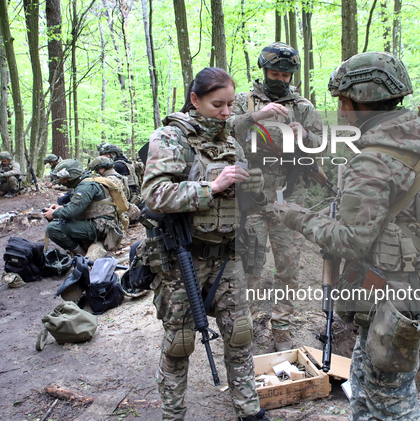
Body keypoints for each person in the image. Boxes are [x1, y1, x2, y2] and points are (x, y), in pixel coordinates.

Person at [273, 51, 420, 421]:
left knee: (393, 403)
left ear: (360, 102)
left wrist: (296, 217)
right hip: (412, 285)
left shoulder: (373, 160)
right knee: (366, 387)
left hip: (393, 298)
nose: (340, 110)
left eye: (342, 101)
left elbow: (351, 240)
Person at [141, 67, 269, 421]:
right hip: (185, 257)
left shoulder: (231, 140)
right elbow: (153, 195)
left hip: (228, 256)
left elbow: (243, 200)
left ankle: (248, 410)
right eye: (217, 105)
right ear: (195, 100)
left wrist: (251, 187)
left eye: (230, 104)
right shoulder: (170, 138)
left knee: (240, 337)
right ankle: (173, 414)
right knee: (179, 345)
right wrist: (209, 187)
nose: (226, 112)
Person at [230, 41, 324, 351]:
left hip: (288, 196)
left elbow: (322, 147)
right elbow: (223, 132)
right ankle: (253, 320)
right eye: (274, 73)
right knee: (251, 266)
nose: (280, 79)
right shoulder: (244, 101)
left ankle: (282, 325)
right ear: (263, 69)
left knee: (288, 265)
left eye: (286, 75)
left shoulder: (304, 107)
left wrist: (305, 135)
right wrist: (258, 117)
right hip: (251, 198)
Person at [43, 159, 124, 255]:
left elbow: (72, 211)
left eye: (63, 179)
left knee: (53, 228)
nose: (61, 182)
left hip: (101, 227)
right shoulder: (86, 181)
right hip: (101, 224)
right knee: (59, 221)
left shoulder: (85, 186)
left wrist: (54, 213)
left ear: (71, 176)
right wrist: (60, 208)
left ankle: (81, 255)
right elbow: (81, 205)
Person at [89, 155, 140, 230]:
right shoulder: (118, 177)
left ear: (102, 169)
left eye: (97, 170)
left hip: (117, 216)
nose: (96, 172)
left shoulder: (110, 180)